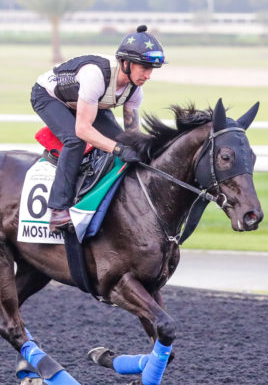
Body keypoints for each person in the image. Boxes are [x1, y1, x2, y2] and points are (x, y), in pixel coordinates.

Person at [30, 24, 167, 231]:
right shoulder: (95, 76)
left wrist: (144, 149)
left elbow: (132, 135)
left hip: (84, 101)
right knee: (75, 140)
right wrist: (118, 149)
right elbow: (83, 130)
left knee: (122, 142)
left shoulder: (135, 91)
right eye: (144, 68)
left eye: (152, 70)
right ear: (126, 63)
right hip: (48, 97)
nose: (148, 75)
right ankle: (58, 209)